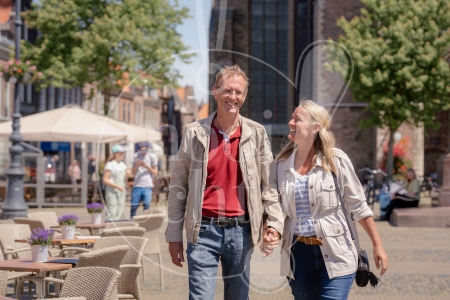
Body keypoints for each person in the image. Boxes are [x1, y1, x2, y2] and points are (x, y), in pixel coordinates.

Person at [165, 65, 284, 300]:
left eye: (238, 92)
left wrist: (274, 224)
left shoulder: (256, 133)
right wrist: (174, 235)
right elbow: (178, 187)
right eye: (228, 91)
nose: (233, 97)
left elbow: (268, 185)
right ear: (215, 92)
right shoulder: (194, 132)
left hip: (241, 231)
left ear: (245, 95)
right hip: (203, 230)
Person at [268, 100, 388, 299]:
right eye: (292, 117)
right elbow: (274, 206)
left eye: (297, 119)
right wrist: (272, 229)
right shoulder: (280, 165)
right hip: (297, 255)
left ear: (315, 128)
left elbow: (358, 206)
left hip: (337, 251)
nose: (290, 122)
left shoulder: (336, 160)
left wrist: (378, 245)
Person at [130, 141, 158, 218]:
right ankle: (132, 223)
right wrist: (136, 165)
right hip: (137, 185)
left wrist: (146, 166)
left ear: (147, 149)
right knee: (134, 207)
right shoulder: (136, 156)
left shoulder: (152, 157)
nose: (142, 152)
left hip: (147, 185)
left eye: (144, 150)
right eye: (141, 150)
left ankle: (146, 224)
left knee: (146, 208)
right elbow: (132, 172)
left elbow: (155, 172)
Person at [103, 145, 129, 221]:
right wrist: (117, 186)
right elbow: (105, 179)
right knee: (112, 210)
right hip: (112, 191)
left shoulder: (122, 164)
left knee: (119, 209)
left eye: (123, 153)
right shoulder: (110, 165)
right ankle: (108, 228)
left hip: (121, 191)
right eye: (121, 153)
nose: (122, 154)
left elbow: (126, 176)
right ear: (115, 154)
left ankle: (114, 230)